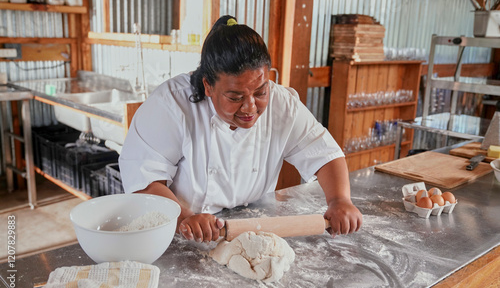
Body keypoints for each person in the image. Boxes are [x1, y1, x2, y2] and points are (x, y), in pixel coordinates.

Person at [119, 15, 362, 243]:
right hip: (180, 232)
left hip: (256, 229)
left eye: (260, 92)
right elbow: (145, 181)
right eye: (235, 96)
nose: (250, 107)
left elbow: (324, 154)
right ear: (208, 86)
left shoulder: (282, 103)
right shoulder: (171, 104)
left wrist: (339, 200)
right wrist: (185, 219)